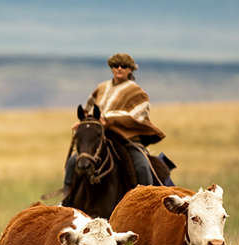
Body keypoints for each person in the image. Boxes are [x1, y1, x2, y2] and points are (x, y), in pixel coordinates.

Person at [64, 53, 167, 194]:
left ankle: (146, 197)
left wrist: (109, 119)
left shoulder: (137, 92)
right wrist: (84, 123)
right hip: (100, 138)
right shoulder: (101, 88)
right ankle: (67, 198)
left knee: (142, 166)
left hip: (126, 140)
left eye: (123, 66)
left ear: (130, 69)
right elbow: (88, 109)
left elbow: (137, 115)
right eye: (115, 66)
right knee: (73, 161)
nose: (119, 69)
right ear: (111, 68)